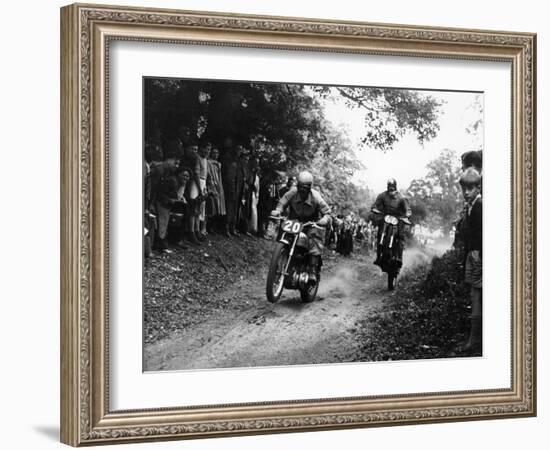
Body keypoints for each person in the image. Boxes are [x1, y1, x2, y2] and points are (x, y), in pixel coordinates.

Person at [271, 171, 331, 284]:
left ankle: (312, 270)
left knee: (315, 236)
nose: (302, 190)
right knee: (282, 232)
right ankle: (278, 262)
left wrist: (324, 219)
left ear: (310, 187)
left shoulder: (316, 197)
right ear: (297, 185)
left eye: (306, 188)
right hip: (293, 223)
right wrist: (278, 211)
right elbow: (282, 202)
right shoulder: (292, 192)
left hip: (310, 224)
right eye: (300, 187)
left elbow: (327, 212)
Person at [456, 168, 483, 353]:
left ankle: (475, 340)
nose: (466, 192)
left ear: (478, 187)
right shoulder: (471, 206)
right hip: (472, 254)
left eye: (470, 188)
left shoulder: (480, 206)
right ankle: (475, 338)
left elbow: (482, 234)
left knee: (476, 296)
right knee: (475, 296)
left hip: (478, 255)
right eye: (464, 188)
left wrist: (479, 255)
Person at [371, 178, 411, 265]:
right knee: (379, 233)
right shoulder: (382, 195)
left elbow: (408, 209)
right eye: (389, 187)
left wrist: (406, 215)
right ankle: (378, 256)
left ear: (395, 187)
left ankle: (399, 257)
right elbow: (375, 205)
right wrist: (375, 209)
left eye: (392, 187)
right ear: (387, 186)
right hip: (386, 217)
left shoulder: (402, 198)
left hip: (398, 219)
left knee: (400, 236)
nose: (391, 189)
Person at [206, 147, 227, 234]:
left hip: (218, 184)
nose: (216, 155)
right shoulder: (208, 162)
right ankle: (208, 226)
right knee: (211, 205)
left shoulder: (218, 164)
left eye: (217, 153)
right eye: (214, 153)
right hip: (211, 183)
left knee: (218, 206)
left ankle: (214, 226)